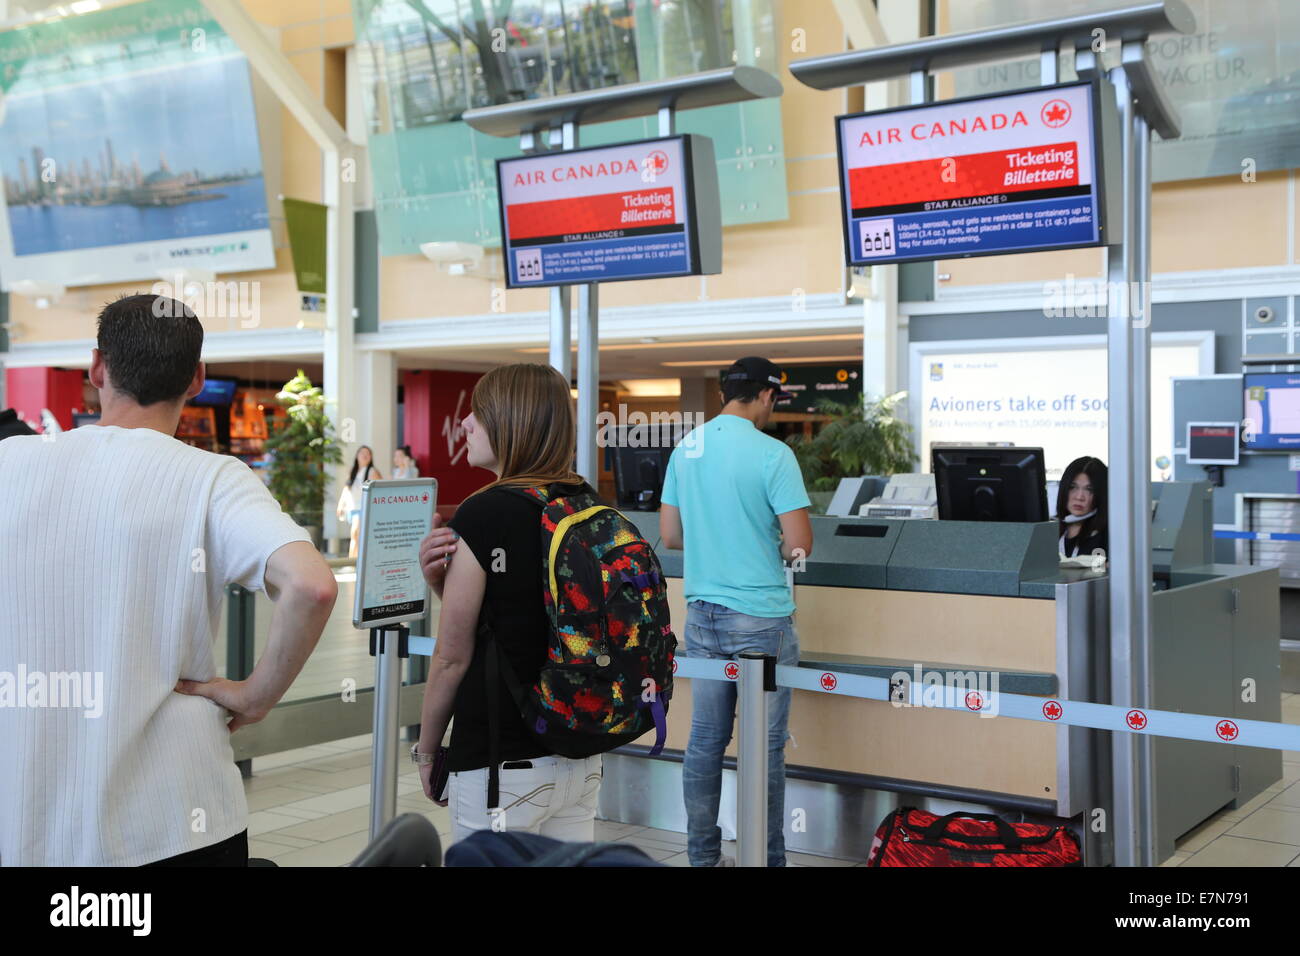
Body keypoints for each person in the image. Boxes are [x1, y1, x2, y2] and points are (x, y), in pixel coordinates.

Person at [0, 293, 338, 866]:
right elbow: (312, 586)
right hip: (175, 822)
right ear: (197, 379)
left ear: (97, 367)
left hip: (25, 822)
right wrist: (256, 697)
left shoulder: (10, 464)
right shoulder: (211, 479)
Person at [412, 363, 602, 843]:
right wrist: (444, 583)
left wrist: (429, 752)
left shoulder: (487, 511)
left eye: (478, 413)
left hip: (502, 764)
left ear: (510, 422)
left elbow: (452, 657)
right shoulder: (581, 500)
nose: (465, 423)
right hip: (579, 759)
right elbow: (517, 617)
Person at [659, 356, 814, 867]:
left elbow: (671, 536)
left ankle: (702, 858)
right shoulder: (774, 454)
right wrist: (761, 545)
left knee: (705, 738)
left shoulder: (688, 448)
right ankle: (766, 860)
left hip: (701, 613)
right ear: (767, 396)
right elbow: (799, 547)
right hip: (761, 619)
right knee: (764, 748)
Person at [337, 445, 383, 557]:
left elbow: (380, 490)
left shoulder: (372, 472)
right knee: (356, 536)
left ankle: (351, 561)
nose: (365, 455)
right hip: (353, 508)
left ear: (371, 457)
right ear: (357, 455)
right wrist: (341, 505)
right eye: (362, 452)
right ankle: (354, 560)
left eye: (368, 453)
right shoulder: (353, 471)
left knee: (355, 534)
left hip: (364, 508)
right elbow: (347, 489)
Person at [1058, 455, 1107, 559]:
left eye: (1089, 490)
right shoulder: (1048, 531)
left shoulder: (1106, 536)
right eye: (1072, 487)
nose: (1079, 497)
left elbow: (1098, 571)